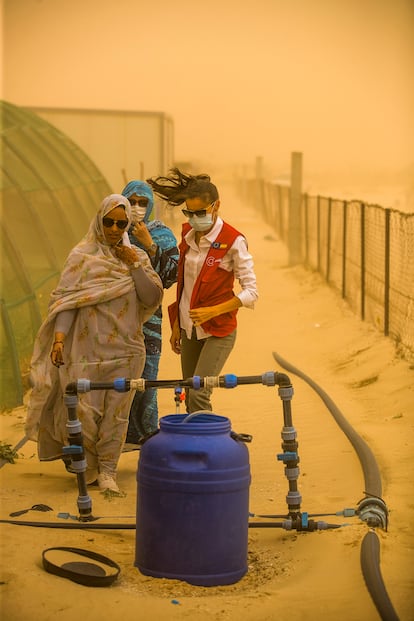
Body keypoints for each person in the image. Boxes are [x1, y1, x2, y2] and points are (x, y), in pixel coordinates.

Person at [25, 194, 163, 495]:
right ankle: (87, 465)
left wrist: (135, 266)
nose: (114, 228)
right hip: (84, 353)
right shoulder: (81, 256)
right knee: (84, 412)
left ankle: (108, 471)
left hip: (126, 352)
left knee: (116, 414)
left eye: (121, 223)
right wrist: (59, 340)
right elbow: (68, 303)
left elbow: (151, 298)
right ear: (99, 221)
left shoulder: (134, 257)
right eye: (109, 222)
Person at [147, 168, 258, 413]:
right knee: (190, 391)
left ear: (216, 206)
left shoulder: (234, 241)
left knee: (199, 394)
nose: (194, 218)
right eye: (189, 212)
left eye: (200, 212)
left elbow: (251, 292)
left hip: (218, 330)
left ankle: (209, 448)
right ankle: (195, 444)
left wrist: (213, 311)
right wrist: (177, 324)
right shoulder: (187, 234)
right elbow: (184, 284)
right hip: (188, 329)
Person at [121, 180, 178, 447]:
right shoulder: (111, 230)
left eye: (143, 202)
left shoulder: (162, 233)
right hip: (116, 319)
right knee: (117, 380)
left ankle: (145, 438)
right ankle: (115, 440)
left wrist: (150, 245)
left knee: (146, 378)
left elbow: (171, 276)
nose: (136, 207)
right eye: (131, 201)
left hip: (150, 321)